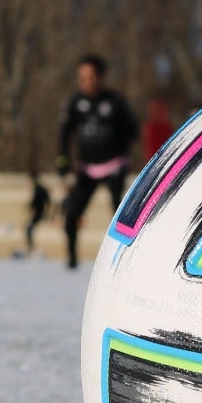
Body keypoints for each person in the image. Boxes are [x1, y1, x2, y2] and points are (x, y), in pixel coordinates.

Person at [58, 54, 136, 269]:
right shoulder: (76, 103)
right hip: (87, 169)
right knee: (71, 213)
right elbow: (65, 133)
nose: (87, 81)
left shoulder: (116, 102)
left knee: (119, 216)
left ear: (101, 77)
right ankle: (72, 262)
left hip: (113, 166)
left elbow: (132, 130)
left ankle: (123, 263)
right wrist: (62, 161)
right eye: (82, 77)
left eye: (91, 76)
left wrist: (120, 150)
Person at [24, 170, 51, 256]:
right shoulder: (39, 188)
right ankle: (30, 246)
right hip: (38, 213)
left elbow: (45, 202)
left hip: (39, 213)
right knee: (28, 228)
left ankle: (31, 247)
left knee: (28, 228)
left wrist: (46, 213)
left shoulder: (39, 189)